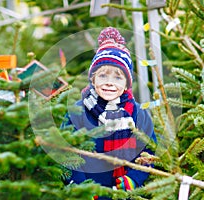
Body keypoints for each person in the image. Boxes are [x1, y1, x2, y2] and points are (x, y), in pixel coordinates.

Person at [63, 27, 157, 199]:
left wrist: (134, 179)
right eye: (103, 76)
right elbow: (65, 150)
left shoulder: (137, 114)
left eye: (118, 77)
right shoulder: (78, 111)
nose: (109, 83)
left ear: (127, 83)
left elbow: (149, 151)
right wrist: (81, 187)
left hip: (125, 193)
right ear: (92, 79)